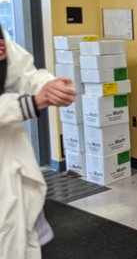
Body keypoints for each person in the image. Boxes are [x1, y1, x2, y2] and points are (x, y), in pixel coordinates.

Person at [0, 23, 76, 259]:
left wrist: (48, 86)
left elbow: (24, 73)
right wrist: (29, 103)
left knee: (16, 233)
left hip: (9, 159)